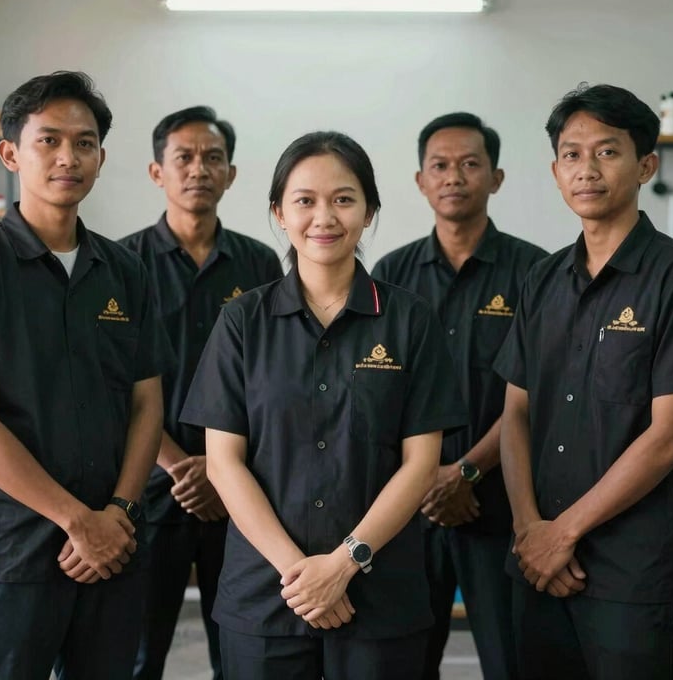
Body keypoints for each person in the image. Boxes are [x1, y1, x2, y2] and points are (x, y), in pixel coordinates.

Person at [179, 131, 467, 679]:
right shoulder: (243, 321)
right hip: (267, 595)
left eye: (343, 198)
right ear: (279, 214)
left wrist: (344, 563)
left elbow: (421, 463)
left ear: (368, 211)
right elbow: (223, 461)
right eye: (304, 200)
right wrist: (302, 574)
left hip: (379, 596)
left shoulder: (410, 321)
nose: (324, 217)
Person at [0, 71, 173, 680]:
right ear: (11, 152)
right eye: (49, 140)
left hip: (114, 546)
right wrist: (78, 522)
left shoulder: (125, 271)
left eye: (85, 142)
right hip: (13, 553)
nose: (69, 157)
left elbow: (146, 402)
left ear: (101, 156)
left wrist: (116, 512)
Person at [494, 83, 673, 680]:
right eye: (571, 154)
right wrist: (529, 528)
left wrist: (564, 533)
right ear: (556, 170)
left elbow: (671, 437)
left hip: (629, 576)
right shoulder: (542, 279)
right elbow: (515, 415)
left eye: (607, 152)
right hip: (535, 563)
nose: (587, 169)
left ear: (646, 166)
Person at [372, 112, 546, 679]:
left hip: (498, 507)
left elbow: (535, 393)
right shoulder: (388, 276)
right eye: (439, 166)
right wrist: (429, 482)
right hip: (406, 512)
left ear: (496, 178)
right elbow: (376, 396)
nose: (454, 177)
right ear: (420, 181)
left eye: (470, 164)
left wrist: (464, 473)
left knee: (509, 661)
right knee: (403, 660)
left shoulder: (536, 273)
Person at [120, 106, 282, 680]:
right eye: (183, 157)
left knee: (240, 646)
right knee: (138, 651)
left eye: (212, 158)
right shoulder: (122, 264)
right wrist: (181, 465)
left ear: (231, 174)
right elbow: (116, 382)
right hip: (150, 490)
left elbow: (268, 380)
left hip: (239, 489)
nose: (198, 169)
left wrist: (218, 468)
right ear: (156, 171)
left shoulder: (261, 263)